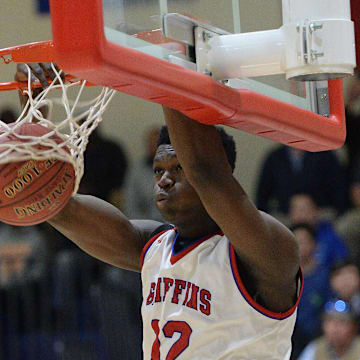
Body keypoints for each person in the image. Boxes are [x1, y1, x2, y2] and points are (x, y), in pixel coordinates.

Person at [16, 63, 302, 359]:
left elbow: (206, 173)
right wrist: (35, 115)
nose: (164, 179)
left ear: (226, 172)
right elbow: (58, 206)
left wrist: (166, 66)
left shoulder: (267, 248)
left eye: (178, 168)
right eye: (157, 170)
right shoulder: (154, 247)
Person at [255, 145, 348, 219]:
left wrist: (316, 210)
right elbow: (262, 195)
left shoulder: (325, 154)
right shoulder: (274, 157)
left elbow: (340, 188)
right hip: (286, 215)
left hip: (320, 214)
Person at [290, 223, 333, 359]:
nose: (300, 246)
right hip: (290, 336)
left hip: (318, 336)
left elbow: (330, 308)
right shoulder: (282, 276)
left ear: (314, 244)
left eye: (304, 241)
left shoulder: (326, 275)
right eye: (295, 241)